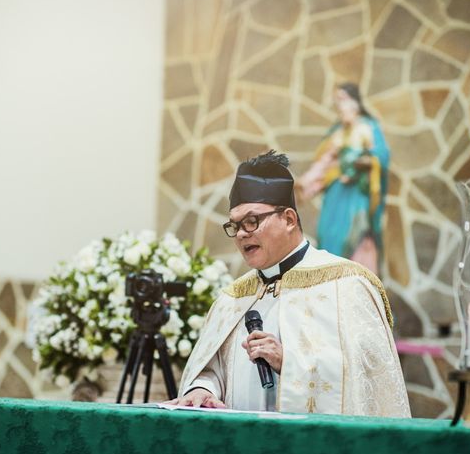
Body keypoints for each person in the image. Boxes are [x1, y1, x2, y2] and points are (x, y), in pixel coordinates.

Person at [166, 150, 410, 416]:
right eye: (235, 225)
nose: (242, 234)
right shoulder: (232, 299)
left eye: (252, 221)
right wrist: (204, 389)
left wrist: (289, 363)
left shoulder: (347, 285)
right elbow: (212, 371)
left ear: (290, 219)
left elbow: (366, 384)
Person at [296, 83, 390, 274]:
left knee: (357, 237)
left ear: (355, 103)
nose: (340, 106)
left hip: (357, 196)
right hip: (336, 195)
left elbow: (382, 154)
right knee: (328, 235)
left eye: (343, 100)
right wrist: (305, 183)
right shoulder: (337, 132)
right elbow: (324, 162)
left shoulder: (368, 127)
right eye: (337, 101)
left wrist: (364, 161)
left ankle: (359, 282)